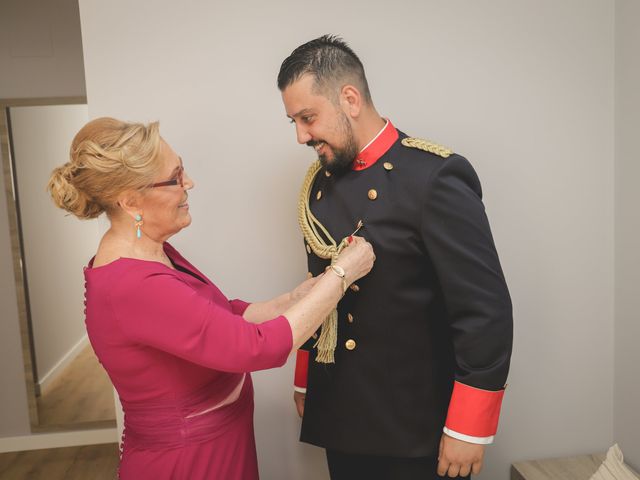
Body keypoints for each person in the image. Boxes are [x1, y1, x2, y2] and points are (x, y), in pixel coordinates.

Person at [46, 117, 374, 480]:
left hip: (218, 446)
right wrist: (342, 275)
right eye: (175, 177)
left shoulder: (153, 250)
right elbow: (255, 348)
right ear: (130, 200)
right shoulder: (132, 284)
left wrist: (294, 298)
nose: (189, 184)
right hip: (189, 463)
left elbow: (217, 317)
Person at [277, 35, 513, 479]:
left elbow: (484, 311)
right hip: (342, 413)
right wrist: (306, 379)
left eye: (308, 118)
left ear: (349, 99)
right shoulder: (319, 184)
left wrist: (468, 426)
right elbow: (319, 296)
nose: (301, 136)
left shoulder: (434, 175)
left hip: (415, 424)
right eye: (293, 121)